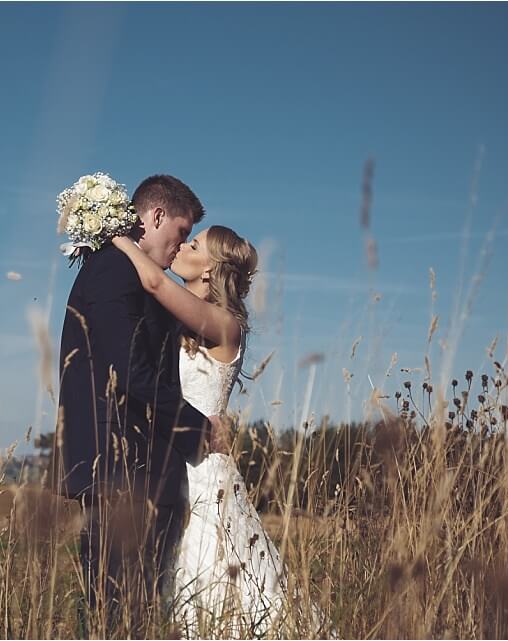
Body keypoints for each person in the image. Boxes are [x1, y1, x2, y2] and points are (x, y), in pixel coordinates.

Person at [112, 226, 330, 638]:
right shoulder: (175, 321)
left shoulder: (226, 325)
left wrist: (116, 238)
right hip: (171, 465)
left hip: (204, 472)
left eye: (193, 245)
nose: (182, 246)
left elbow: (155, 280)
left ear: (210, 270)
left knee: (212, 573)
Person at [52, 175, 226, 636]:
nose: (180, 246)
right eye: (181, 234)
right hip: (118, 468)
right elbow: (128, 370)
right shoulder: (113, 269)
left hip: (141, 471)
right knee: (116, 611)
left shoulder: (139, 276)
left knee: (137, 610)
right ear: (156, 217)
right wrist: (200, 427)